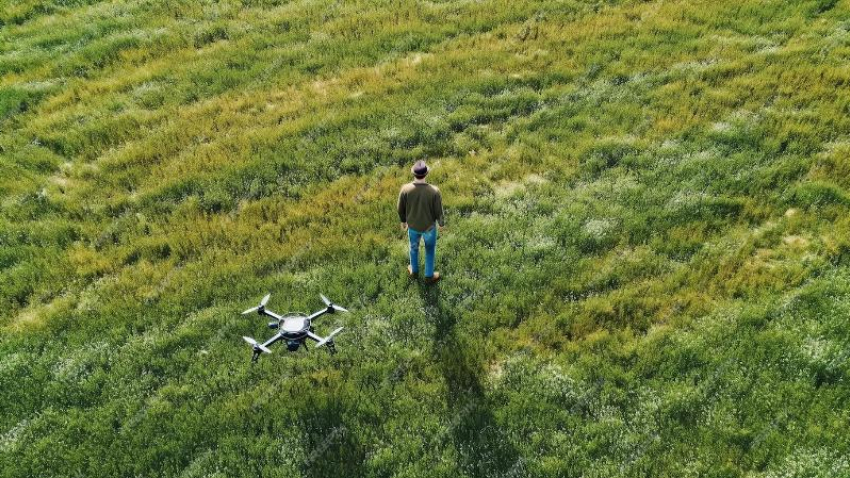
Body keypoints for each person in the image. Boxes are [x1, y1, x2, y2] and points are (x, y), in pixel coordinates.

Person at [397, 160, 445, 283]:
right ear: (426, 174)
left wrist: (403, 221)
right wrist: (441, 224)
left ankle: (414, 270)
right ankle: (429, 276)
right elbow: (438, 210)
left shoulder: (405, 189)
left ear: (413, 174)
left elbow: (400, 208)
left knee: (413, 248)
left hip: (413, 227)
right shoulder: (434, 191)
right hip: (429, 228)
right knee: (429, 250)